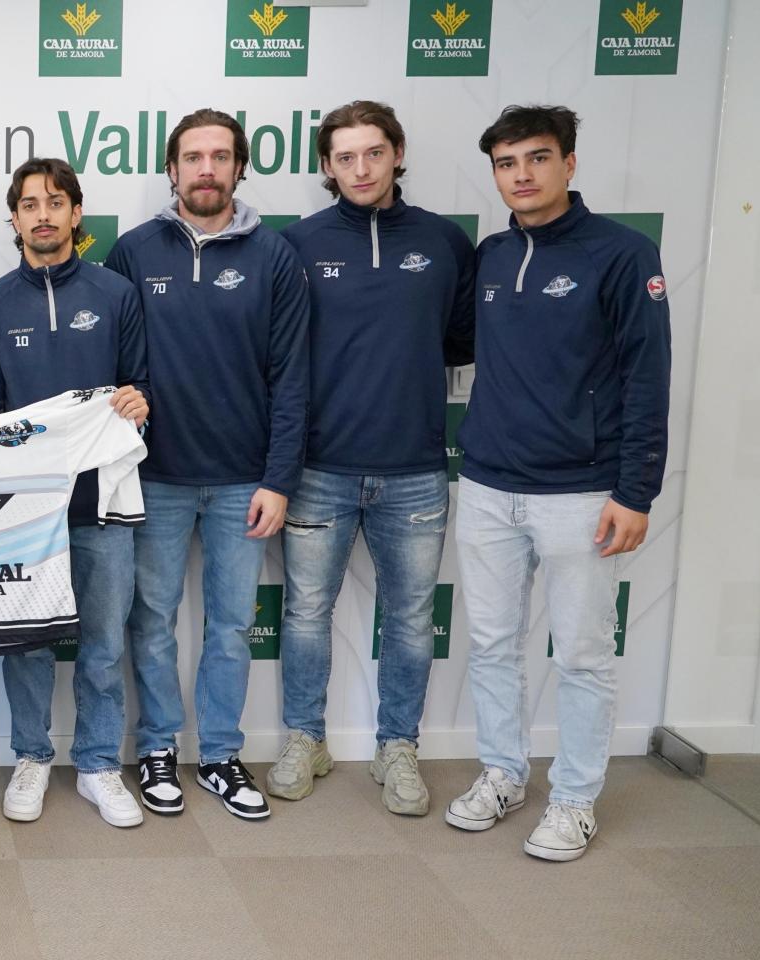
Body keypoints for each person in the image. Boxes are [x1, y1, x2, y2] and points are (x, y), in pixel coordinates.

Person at [447, 105, 670, 861]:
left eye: (537, 159)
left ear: (569, 165)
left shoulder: (623, 254)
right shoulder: (489, 253)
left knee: (580, 655)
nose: (522, 175)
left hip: (582, 492)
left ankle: (575, 800)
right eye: (507, 164)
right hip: (485, 485)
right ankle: (505, 773)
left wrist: (636, 491)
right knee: (493, 645)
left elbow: (647, 380)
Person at [270, 101, 475, 815]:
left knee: (413, 619)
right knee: (304, 615)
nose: (360, 169)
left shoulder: (445, 242)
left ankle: (398, 747)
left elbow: (459, 340)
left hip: (416, 468)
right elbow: (281, 355)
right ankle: (305, 738)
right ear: (326, 165)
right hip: (318, 469)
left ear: (396, 154)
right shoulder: (296, 244)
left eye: (374, 153)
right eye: (345, 156)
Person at [104, 109, 309, 821]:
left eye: (220, 157)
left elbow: (292, 378)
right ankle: (158, 746)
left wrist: (278, 479)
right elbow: (114, 368)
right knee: (152, 618)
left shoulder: (275, 256)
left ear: (239, 168)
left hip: (241, 482)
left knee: (229, 624)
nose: (206, 169)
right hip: (154, 477)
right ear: (172, 169)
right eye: (193, 157)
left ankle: (219, 753)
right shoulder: (132, 252)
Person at [0, 158, 150, 828]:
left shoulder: (116, 294)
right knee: (28, 643)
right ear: (13, 219)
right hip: (22, 512)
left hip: (103, 502)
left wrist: (136, 399)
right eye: (29, 204)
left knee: (103, 642)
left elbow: (141, 385)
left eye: (56, 202)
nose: (42, 215)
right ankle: (33, 756)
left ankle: (99, 763)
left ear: (77, 214)